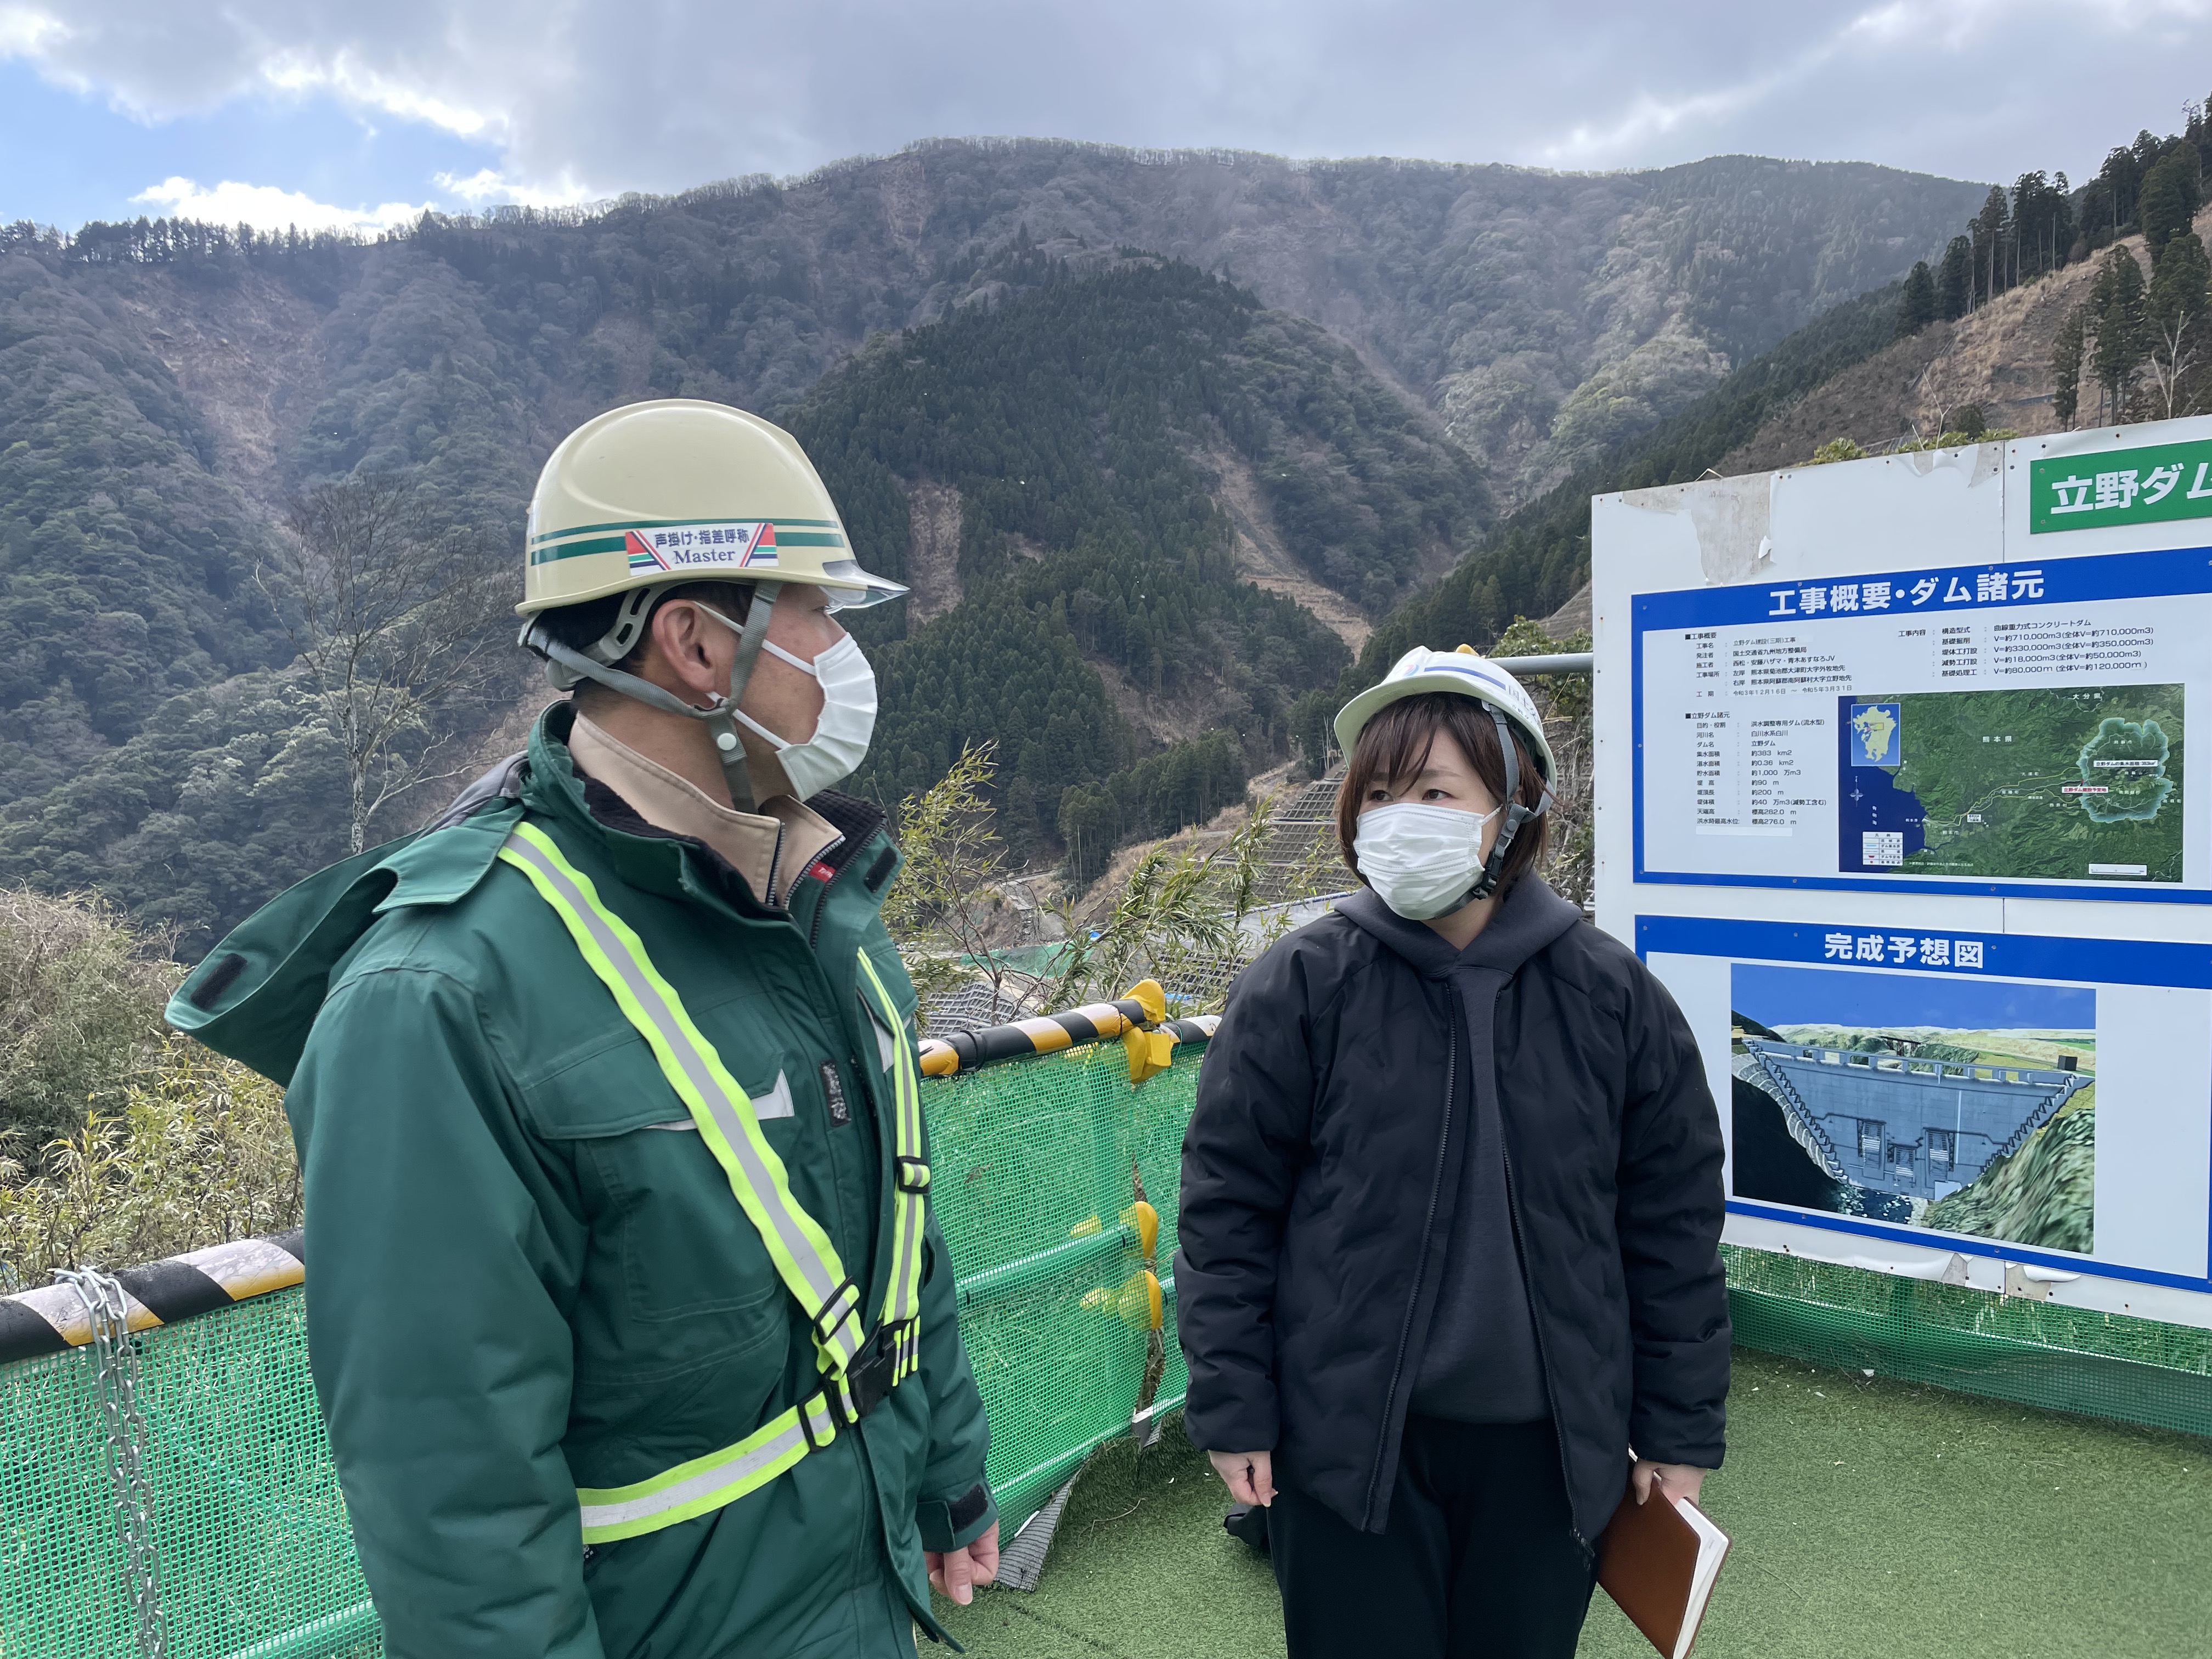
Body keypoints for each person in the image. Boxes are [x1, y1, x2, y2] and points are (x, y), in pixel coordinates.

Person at [168, 399, 998, 1658]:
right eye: (816, 610)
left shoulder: (810, 894)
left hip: (860, 1593)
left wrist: (945, 1468)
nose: (842, 649)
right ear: (698, 644)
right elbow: (451, 1477)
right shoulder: (440, 993)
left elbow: (898, 1228)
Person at [1175, 645, 1729, 1659]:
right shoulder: (1300, 986)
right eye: (1378, 794)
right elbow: (1228, 1213)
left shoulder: (1612, 997)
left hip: (1551, 1458)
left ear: (1517, 805)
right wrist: (1233, 1406)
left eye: (1435, 791)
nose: (1398, 817)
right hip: (1348, 1450)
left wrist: (1678, 1430)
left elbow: (1673, 1228)